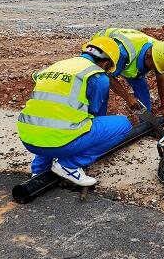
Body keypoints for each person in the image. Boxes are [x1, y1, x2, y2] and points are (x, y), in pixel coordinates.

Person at [17, 37, 132, 187]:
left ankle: (39, 169)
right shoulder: (98, 76)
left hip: (28, 139)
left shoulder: (57, 65)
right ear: (105, 63)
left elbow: (49, 108)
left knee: (51, 118)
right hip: (59, 143)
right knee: (123, 124)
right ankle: (68, 165)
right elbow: (96, 114)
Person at [92, 28, 164, 122]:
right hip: (100, 50)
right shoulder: (122, 53)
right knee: (101, 84)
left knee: (141, 87)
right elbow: (108, 77)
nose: (154, 70)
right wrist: (127, 97)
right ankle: (97, 122)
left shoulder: (159, 51)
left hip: (130, 57)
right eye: (153, 66)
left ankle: (146, 123)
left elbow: (161, 79)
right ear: (148, 56)